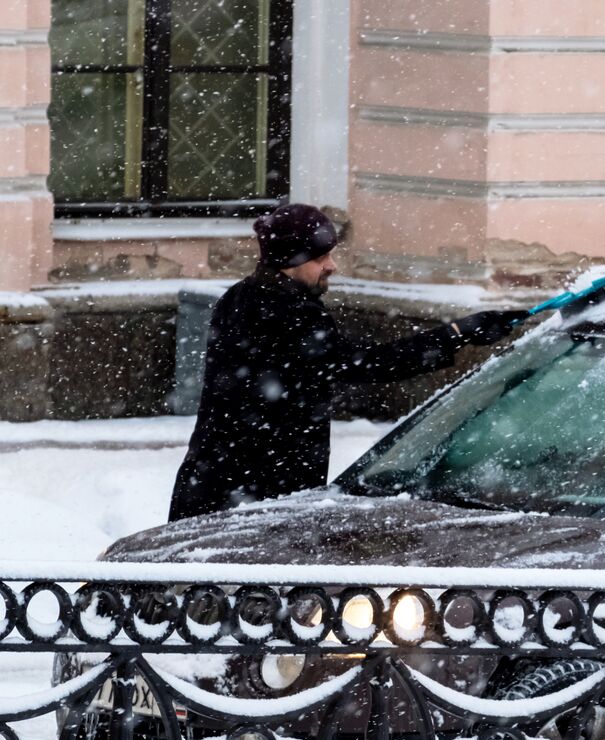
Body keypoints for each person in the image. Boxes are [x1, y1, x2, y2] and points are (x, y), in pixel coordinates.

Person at [168, 203, 522, 522]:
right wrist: (455, 333)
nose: (331, 266)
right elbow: (369, 362)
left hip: (214, 481)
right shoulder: (290, 315)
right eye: (321, 258)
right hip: (260, 492)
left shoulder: (240, 296)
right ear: (290, 261)